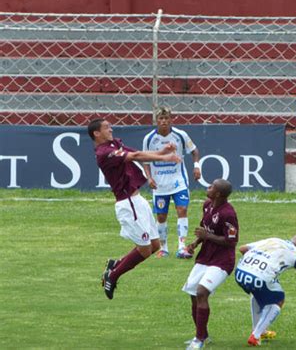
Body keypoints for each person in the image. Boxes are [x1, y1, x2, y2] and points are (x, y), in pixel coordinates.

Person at [87, 118, 180, 300]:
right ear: (96, 133)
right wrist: (164, 158)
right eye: (106, 127)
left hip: (138, 201)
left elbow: (135, 152)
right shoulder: (104, 152)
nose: (111, 129)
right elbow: (135, 157)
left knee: (155, 246)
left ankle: (116, 264)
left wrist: (161, 151)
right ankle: (112, 276)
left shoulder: (114, 144)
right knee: (144, 250)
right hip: (128, 204)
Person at [235, 234, 296, 346]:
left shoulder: (273, 240)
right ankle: (256, 336)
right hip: (259, 277)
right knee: (279, 299)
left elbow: (242, 248)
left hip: (240, 272)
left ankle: (260, 331)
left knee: (260, 292)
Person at [182, 179, 239, 350]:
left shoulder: (228, 214)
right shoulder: (207, 205)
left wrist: (207, 237)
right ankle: (203, 334)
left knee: (201, 292)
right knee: (193, 293)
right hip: (205, 257)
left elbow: (231, 241)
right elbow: (205, 230)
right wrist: (195, 243)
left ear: (219, 194)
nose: (208, 188)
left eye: (211, 187)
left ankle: (198, 340)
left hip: (222, 261)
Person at [142, 107, 201, 259]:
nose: (163, 121)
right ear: (157, 120)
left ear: (171, 120)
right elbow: (145, 160)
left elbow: (194, 151)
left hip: (178, 181)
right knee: (161, 216)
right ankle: (163, 247)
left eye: (166, 118)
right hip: (160, 185)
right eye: (161, 118)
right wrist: (149, 178)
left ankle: (182, 247)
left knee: (182, 209)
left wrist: (196, 166)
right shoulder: (149, 139)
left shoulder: (180, 135)